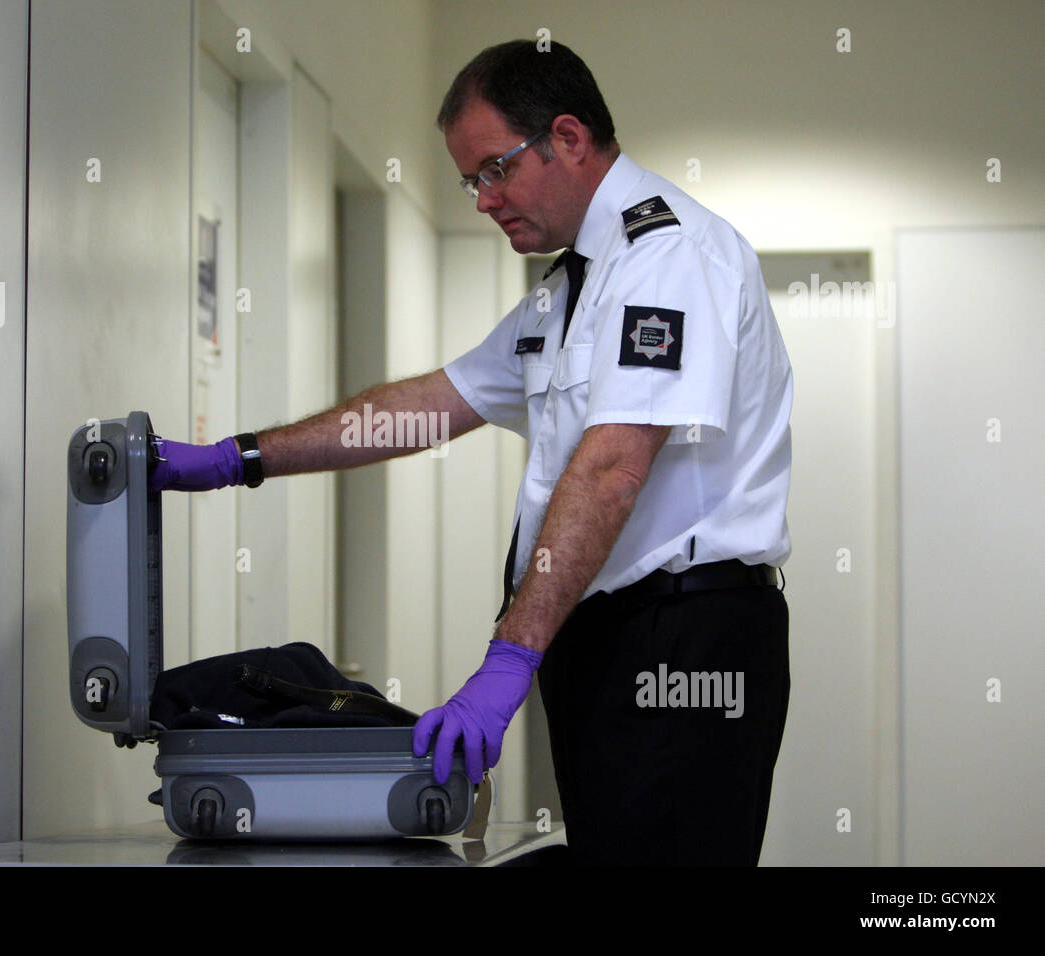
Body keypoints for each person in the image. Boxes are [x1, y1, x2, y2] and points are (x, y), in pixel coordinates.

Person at [150, 39, 793, 866]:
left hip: (685, 644)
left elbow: (611, 470)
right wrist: (238, 458)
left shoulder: (671, 256)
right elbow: (425, 408)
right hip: (605, 640)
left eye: (495, 170)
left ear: (567, 138)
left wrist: (507, 661)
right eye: (470, 181)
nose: (484, 200)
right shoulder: (568, 291)